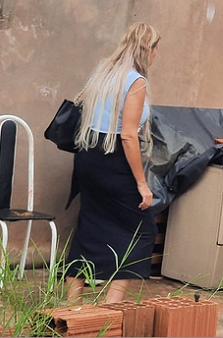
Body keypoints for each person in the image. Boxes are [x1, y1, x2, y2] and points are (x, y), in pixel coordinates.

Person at [65, 22, 161, 304]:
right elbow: (128, 135)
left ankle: (71, 306)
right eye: (156, 49)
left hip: (88, 156)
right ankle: (111, 305)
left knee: (90, 226)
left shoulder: (103, 72)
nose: (156, 55)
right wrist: (142, 184)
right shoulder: (135, 82)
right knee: (142, 231)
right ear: (148, 49)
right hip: (114, 159)